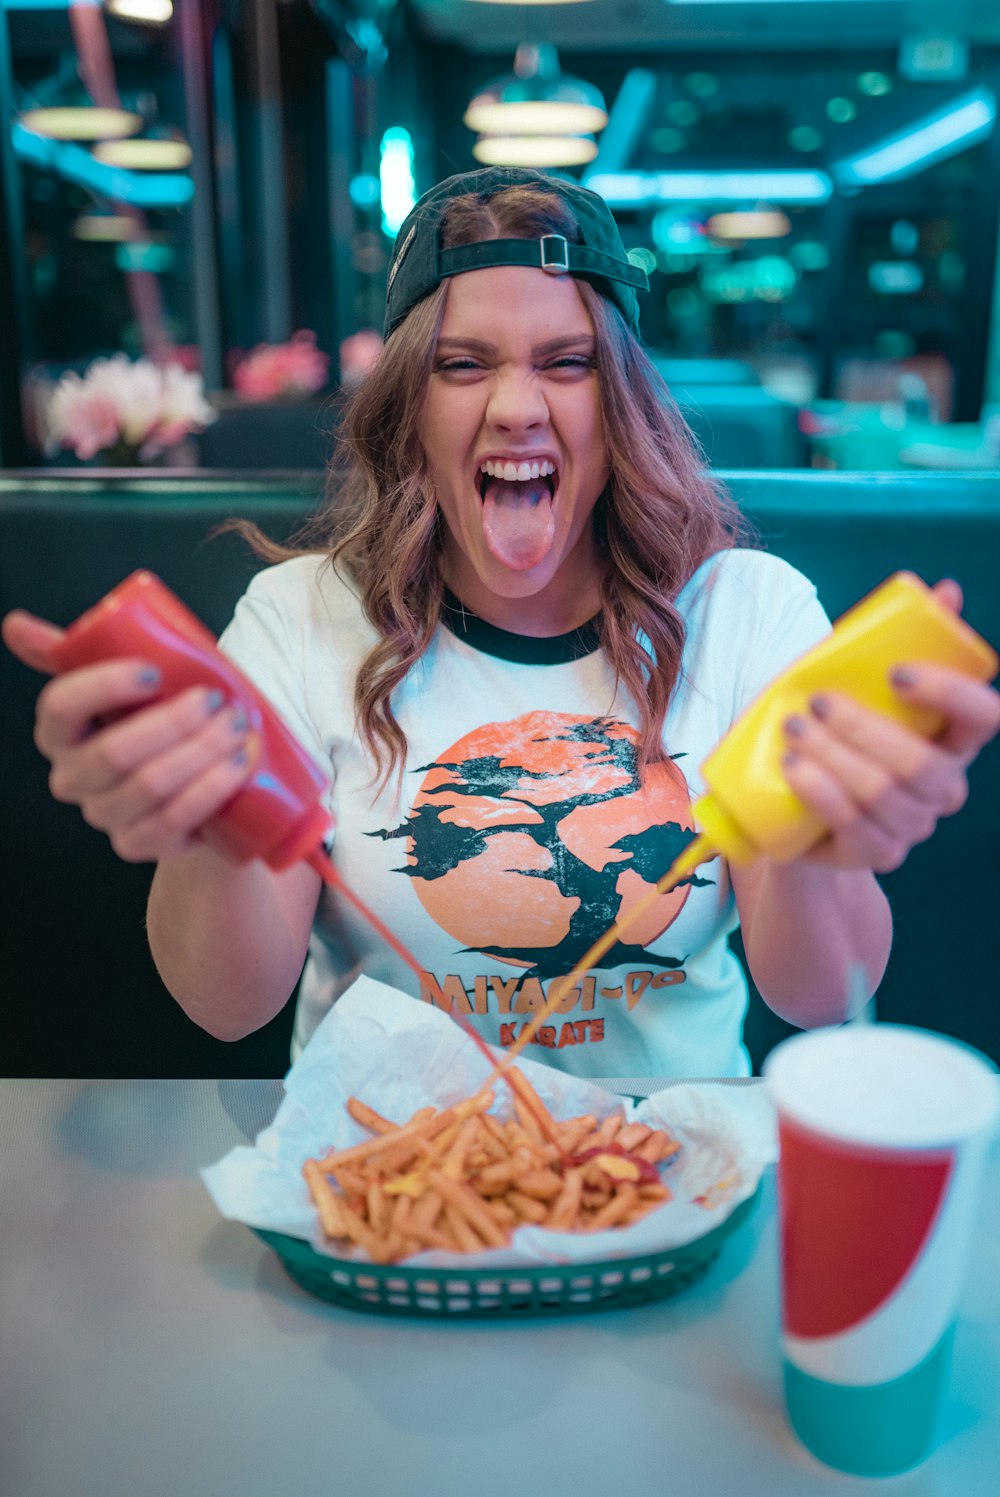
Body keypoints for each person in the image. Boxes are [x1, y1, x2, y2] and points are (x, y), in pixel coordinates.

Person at [4, 167, 999, 1079]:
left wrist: (815, 825)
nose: (518, 407)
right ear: (407, 405)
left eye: (566, 362)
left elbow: (823, 997)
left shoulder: (748, 610)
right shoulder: (298, 618)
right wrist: (202, 824)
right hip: (381, 1175)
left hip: (679, 1167)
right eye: (463, 364)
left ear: (619, 404)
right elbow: (229, 1006)